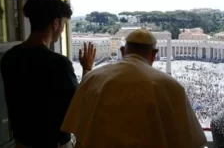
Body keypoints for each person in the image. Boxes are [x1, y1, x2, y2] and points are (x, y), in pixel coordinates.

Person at [61, 29, 207, 148]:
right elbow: (192, 141)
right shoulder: (172, 86)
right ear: (154, 54)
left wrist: (87, 69)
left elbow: (75, 125)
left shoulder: (92, 78)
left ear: (123, 50)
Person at [0, 0, 96, 148]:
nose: (62, 29)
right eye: (63, 24)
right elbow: (78, 106)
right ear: (55, 23)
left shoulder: (9, 58)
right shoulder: (59, 64)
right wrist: (87, 68)